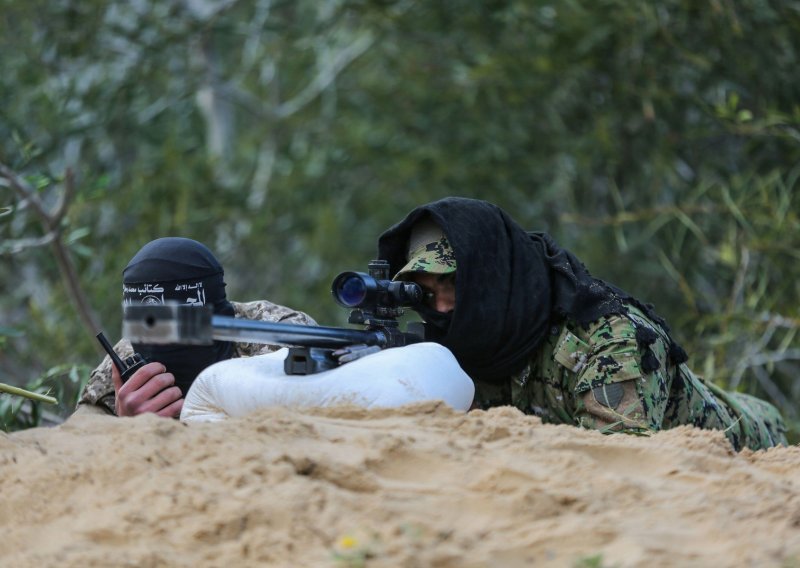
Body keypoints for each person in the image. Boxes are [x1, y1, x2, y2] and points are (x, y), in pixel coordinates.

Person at [377, 197, 787, 451]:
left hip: (752, 440)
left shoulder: (608, 338)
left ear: (492, 276)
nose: (443, 307)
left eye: (454, 282)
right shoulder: (457, 343)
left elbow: (619, 460)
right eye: (425, 293)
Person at [75, 237, 317, 418]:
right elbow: (80, 443)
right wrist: (127, 427)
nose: (159, 339)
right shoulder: (125, 364)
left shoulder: (281, 335)